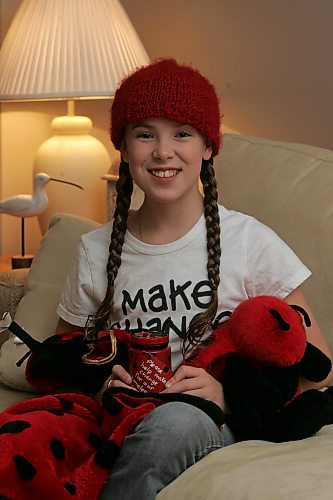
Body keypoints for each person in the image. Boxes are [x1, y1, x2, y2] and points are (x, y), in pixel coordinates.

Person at [55, 59, 333, 499]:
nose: (164, 151)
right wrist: (101, 383)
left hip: (210, 416)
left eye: (182, 133)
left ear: (207, 146)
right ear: (123, 148)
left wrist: (228, 396)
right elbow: (64, 359)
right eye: (145, 134)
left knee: (173, 424)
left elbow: (319, 368)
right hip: (125, 412)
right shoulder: (93, 251)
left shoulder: (250, 242)